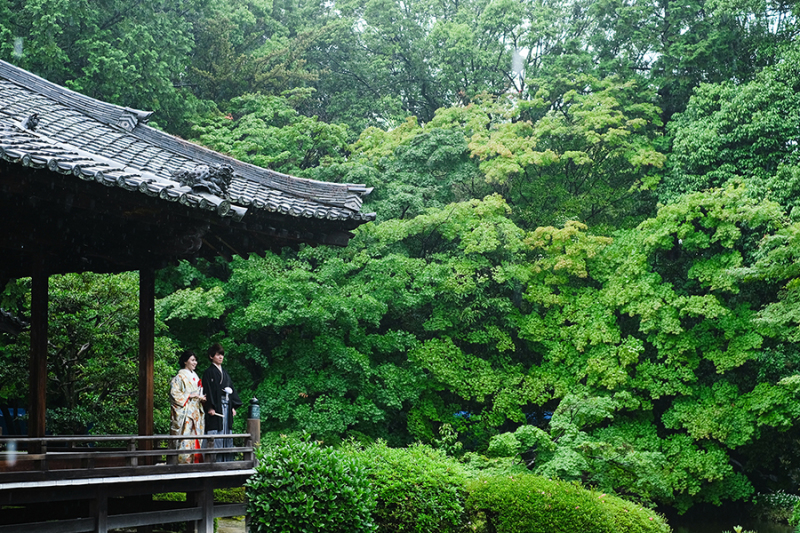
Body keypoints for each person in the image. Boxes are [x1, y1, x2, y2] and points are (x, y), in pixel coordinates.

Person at [202, 343, 242, 461]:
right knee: (216, 432)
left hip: (227, 405)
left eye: (222, 355)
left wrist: (233, 406)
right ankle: (215, 461)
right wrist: (209, 407)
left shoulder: (225, 373)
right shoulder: (208, 373)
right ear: (211, 356)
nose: (221, 357)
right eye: (218, 354)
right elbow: (207, 390)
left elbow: (231, 389)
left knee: (226, 432)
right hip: (216, 407)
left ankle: (227, 461)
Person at [169, 350, 206, 464]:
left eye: (196, 360)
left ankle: (195, 461)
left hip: (195, 411)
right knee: (185, 435)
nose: (195, 363)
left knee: (196, 436)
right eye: (192, 360)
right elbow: (174, 393)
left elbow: (197, 393)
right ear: (185, 361)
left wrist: (201, 398)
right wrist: (189, 395)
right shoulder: (180, 377)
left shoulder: (195, 376)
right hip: (185, 412)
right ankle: (183, 462)